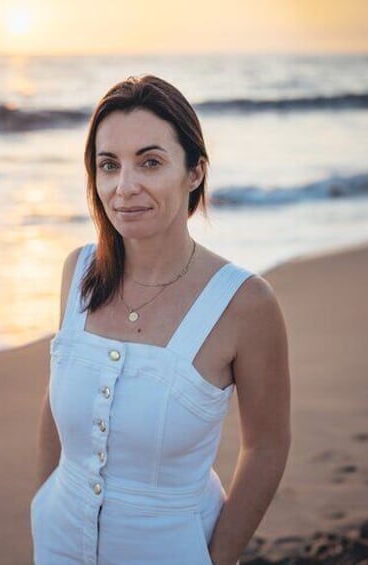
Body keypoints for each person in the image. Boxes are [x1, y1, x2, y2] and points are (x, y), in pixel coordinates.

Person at [31, 74, 291, 565]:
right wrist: (42, 503)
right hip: (58, 544)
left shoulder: (245, 304)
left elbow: (267, 445)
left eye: (150, 162)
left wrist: (219, 558)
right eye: (108, 165)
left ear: (194, 172)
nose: (124, 187)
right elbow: (54, 399)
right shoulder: (79, 272)